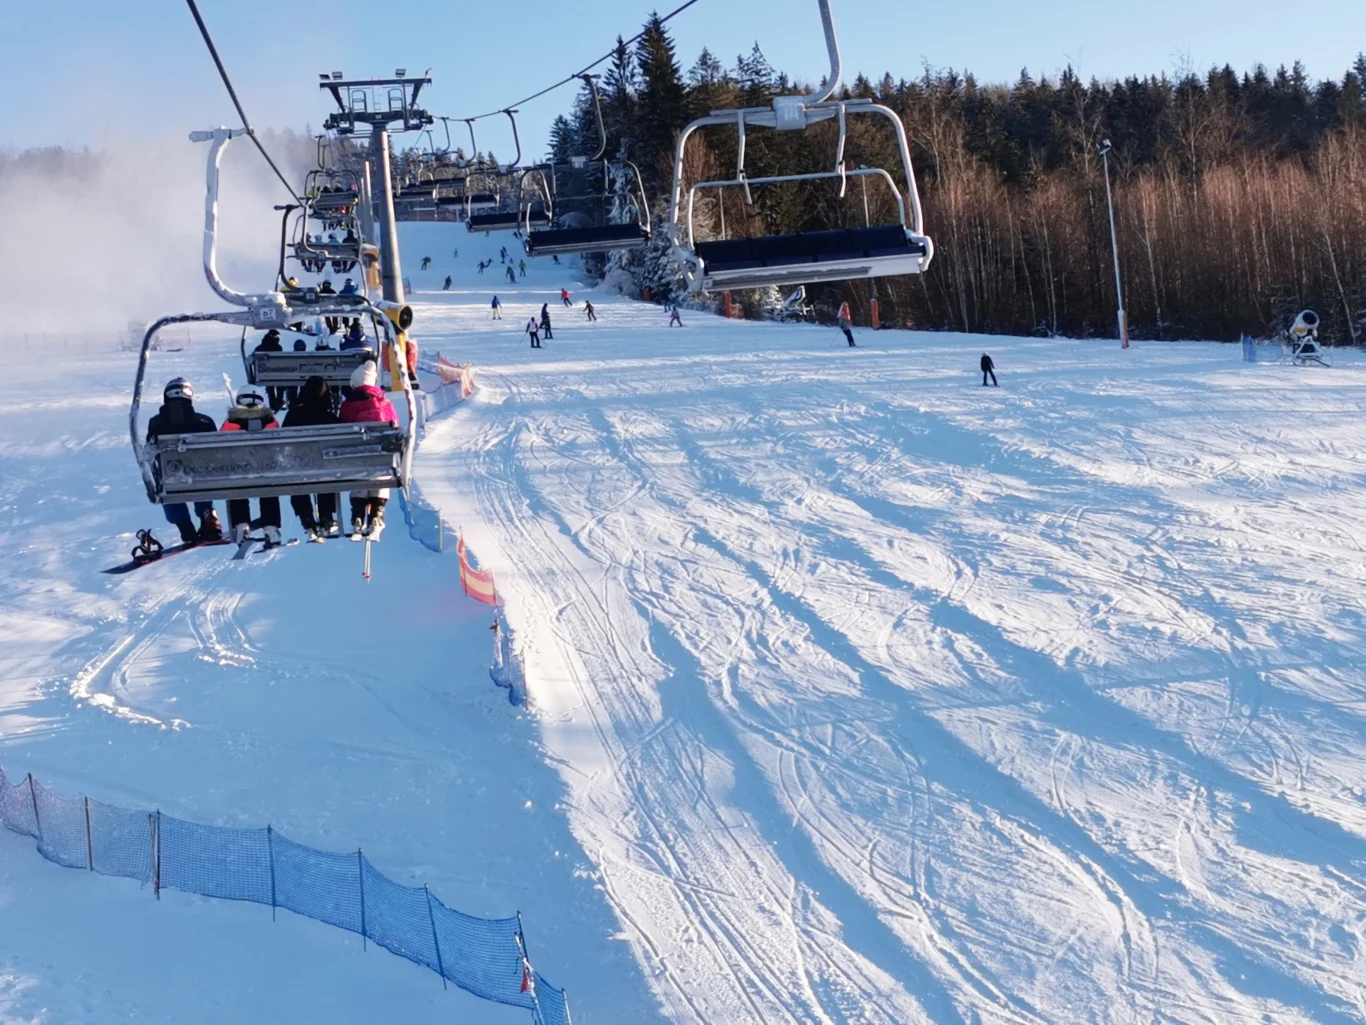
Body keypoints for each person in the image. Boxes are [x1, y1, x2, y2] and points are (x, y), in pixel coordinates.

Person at [146, 378, 221, 545]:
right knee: (202, 474)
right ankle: (207, 516)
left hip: (171, 476)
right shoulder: (204, 422)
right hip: (203, 477)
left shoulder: (156, 423)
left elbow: (151, 451)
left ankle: (185, 528)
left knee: (166, 483)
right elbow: (216, 452)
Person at [339, 361, 397, 540]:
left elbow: (341, 428)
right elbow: (395, 426)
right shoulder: (384, 403)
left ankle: (358, 516)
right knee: (381, 476)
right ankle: (376, 516)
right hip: (380, 458)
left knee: (360, 476)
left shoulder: (348, 405)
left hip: (356, 456)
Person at [219, 391, 282, 547]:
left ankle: (241, 525)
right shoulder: (270, 421)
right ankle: (271, 527)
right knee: (269, 486)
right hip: (265, 469)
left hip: (240, 470)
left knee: (236, 485)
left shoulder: (230, 423)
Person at [282, 375, 340, 540]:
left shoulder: (293, 415)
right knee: (328, 473)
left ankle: (306, 518)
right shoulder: (329, 418)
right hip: (324, 466)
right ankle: (326, 517)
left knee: (296, 476)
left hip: (300, 466)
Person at [253, 329, 287, 409]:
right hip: (277, 374)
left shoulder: (258, 348)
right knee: (280, 379)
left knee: (270, 383)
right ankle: (279, 401)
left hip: (262, 375)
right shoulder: (278, 348)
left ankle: (273, 403)